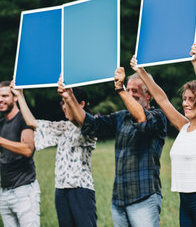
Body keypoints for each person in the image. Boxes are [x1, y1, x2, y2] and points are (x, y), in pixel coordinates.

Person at [130, 42, 196, 227]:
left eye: (192, 100)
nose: (186, 103)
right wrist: (141, 71)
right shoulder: (184, 127)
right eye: (184, 99)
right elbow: (162, 99)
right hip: (186, 201)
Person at [70, 68, 167, 227]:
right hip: (119, 199)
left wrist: (120, 90)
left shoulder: (158, 116)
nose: (130, 94)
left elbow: (142, 119)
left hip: (144, 196)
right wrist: (69, 97)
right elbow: (91, 124)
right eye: (128, 89)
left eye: (134, 91)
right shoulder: (121, 117)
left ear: (148, 95)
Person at [16, 78, 98, 227]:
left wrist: (68, 96)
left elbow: (77, 119)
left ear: (81, 104)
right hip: (61, 190)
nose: (64, 106)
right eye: (62, 102)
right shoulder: (63, 127)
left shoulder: (90, 125)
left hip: (80, 190)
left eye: (66, 101)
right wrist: (20, 95)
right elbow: (32, 122)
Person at [0, 80, 40, 227]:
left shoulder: (24, 119)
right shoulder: (2, 124)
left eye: (5, 96)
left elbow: (28, 149)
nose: (0, 100)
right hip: (4, 192)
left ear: (15, 97)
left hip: (24, 191)